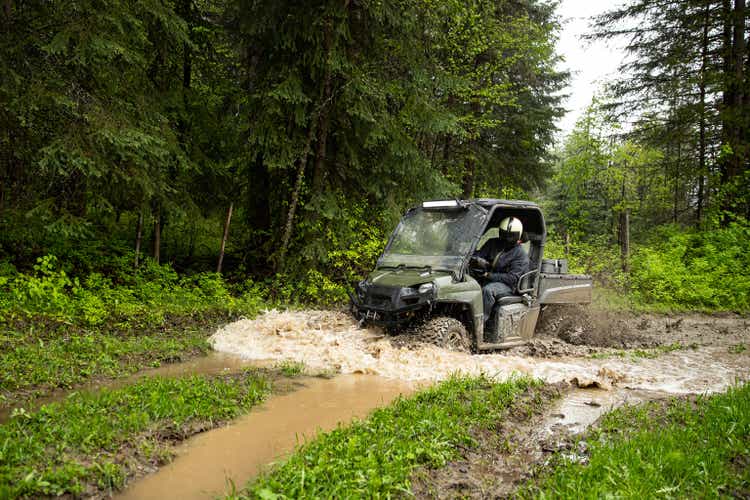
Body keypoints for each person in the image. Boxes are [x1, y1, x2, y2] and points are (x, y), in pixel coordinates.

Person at [472, 217, 529, 326]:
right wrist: (478, 260)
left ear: (518, 235)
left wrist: (489, 275)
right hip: (486, 277)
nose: (507, 238)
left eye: (511, 235)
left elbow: (512, 278)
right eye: (504, 234)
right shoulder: (492, 243)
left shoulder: (520, 254)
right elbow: (478, 255)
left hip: (507, 286)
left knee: (487, 291)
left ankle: (480, 325)